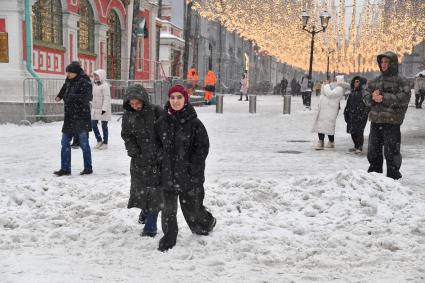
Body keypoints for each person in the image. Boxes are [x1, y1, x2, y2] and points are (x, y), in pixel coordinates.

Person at [155, 84, 216, 252]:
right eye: (172, 97)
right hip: (167, 175)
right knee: (168, 210)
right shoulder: (161, 123)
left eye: (179, 97)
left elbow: (202, 149)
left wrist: (193, 171)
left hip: (189, 177)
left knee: (193, 212)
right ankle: (169, 237)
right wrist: (161, 162)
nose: (175, 101)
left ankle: (207, 222)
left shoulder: (195, 124)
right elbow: (156, 146)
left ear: (185, 100)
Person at [121, 84, 164, 237]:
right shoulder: (128, 115)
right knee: (141, 191)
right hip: (139, 161)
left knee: (156, 193)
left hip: (157, 162)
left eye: (138, 103)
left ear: (144, 100)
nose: (135, 106)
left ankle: (150, 227)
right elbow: (126, 135)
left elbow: (166, 134)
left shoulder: (156, 112)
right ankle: (145, 211)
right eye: (132, 104)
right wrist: (133, 150)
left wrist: (161, 153)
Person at [363, 51, 411, 180]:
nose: (383, 65)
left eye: (386, 62)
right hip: (376, 121)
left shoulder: (402, 81)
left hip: (392, 122)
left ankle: (393, 176)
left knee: (392, 152)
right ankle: (374, 175)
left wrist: (383, 98)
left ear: (393, 64)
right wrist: (372, 98)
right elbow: (366, 95)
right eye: (382, 62)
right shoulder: (375, 80)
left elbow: (404, 99)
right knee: (373, 151)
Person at [54, 62, 93, 176]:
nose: (68, 74)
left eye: (70, 72)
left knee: (84, 144)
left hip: (81, 117)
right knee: (64, 142)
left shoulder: (85, 82)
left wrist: (72, 97)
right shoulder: (68, 81)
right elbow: (63, 89)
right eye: (67, 72)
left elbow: (87, 97)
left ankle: (88, 168)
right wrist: (59, 96)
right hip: (69, 117)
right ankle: (65, 169)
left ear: (76, 72)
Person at [312, 75, 349, 150]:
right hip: (323, 108)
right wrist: (325, 86)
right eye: (333, 79)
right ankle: (321, 141)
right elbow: (323, 93)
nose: (333, 81)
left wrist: (326, 86)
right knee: (321, 124)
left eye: (335, 79)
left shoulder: (340, 88)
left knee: (329, 125)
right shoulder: (330, 86)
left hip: (331, 109)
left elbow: (330, 94)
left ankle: (331, 142)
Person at [344, 76, 369, 154]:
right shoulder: (352, 92)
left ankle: (359, 146)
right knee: (352, 131)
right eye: (355, 81)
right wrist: (346, 112)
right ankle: (356, 146)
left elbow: (367, 105)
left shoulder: (363, 92)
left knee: (359, 131)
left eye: (357, 81)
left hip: (360, 115)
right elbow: (348, 104)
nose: (356, 83)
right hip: (352, 115)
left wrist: (364, 114)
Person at [91, 69, 111, 150]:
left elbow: (106, 98)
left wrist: (104, 109)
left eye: (97, 75)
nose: (95, 77)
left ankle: (105, 143)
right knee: (93, 125)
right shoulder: (94, 85)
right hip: (95, 109)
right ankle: (99, 140)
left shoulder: (105, 85)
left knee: (104, 126)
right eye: (94, 75)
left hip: (104, 109)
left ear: (101, 76)